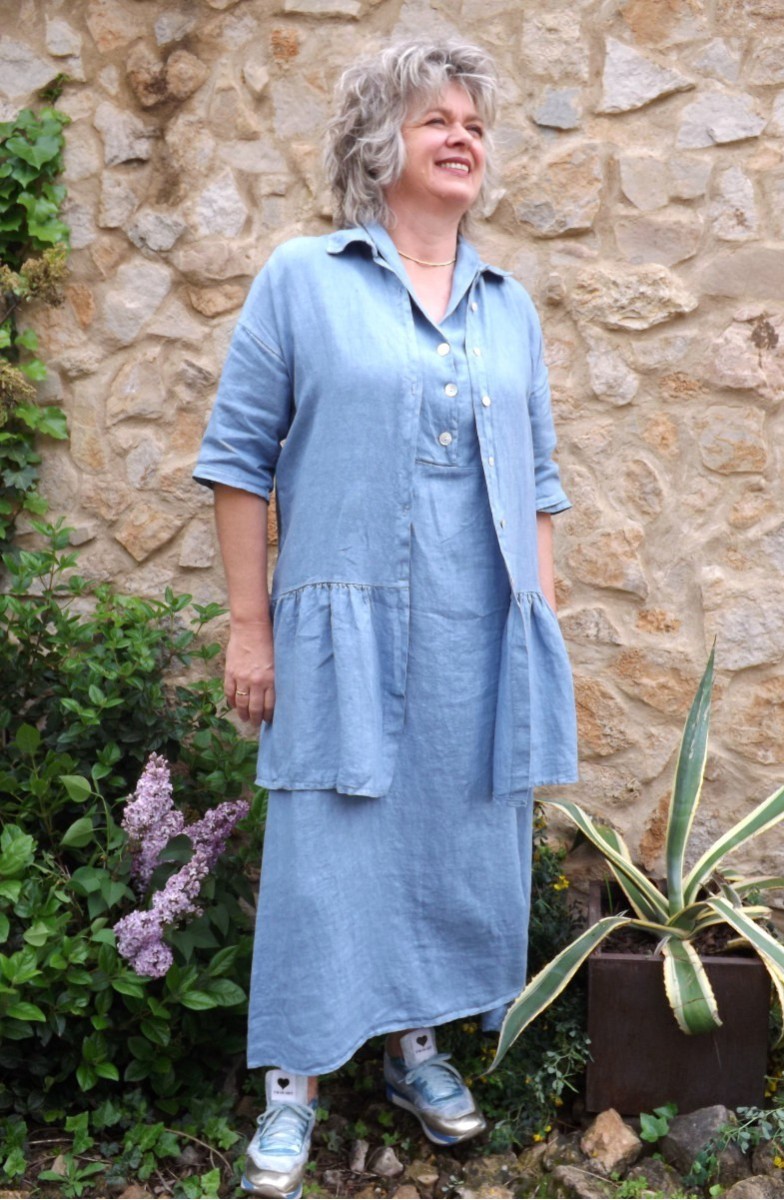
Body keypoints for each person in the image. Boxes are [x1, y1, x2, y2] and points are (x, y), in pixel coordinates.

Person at [194, 38, 578, 1200]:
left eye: (472, 121)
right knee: (325, 847)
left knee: (452, 839)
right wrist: (247, 628)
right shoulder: (302, 279)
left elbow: (542, 482)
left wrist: (539, 630)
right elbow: (235, 462)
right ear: (379, 143)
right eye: (433, 120)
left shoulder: (507, 308)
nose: (460, 136)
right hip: (337, 624)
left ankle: (416, 1047)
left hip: (478, 627)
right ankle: (292, 1086)